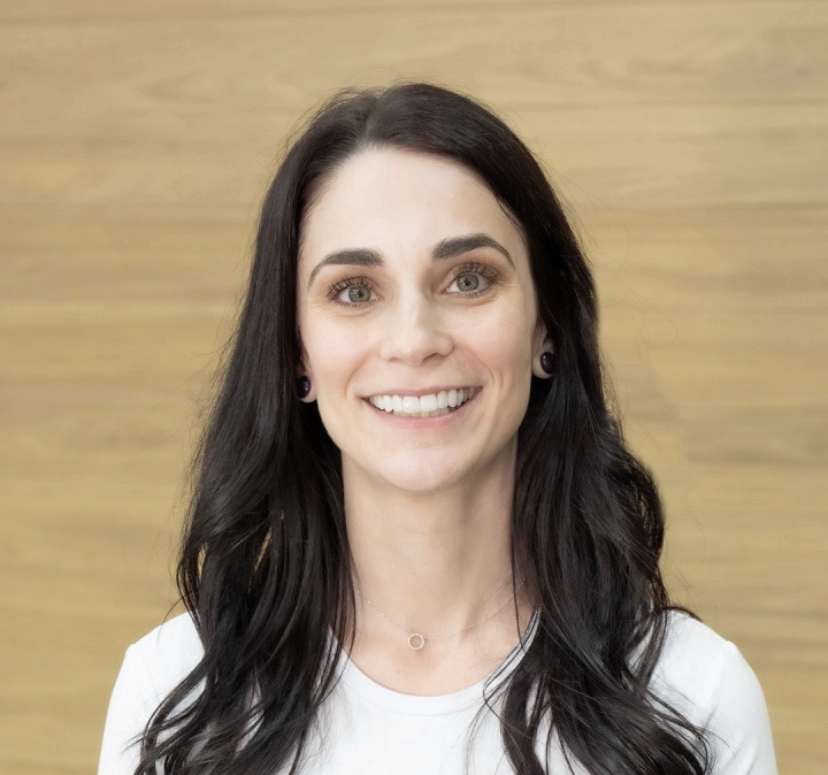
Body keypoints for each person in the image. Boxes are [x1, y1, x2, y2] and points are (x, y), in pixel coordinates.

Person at [98, 82, 777, 775]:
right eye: (355, 290)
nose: (415, 339)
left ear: (547, 326)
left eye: (469, 279)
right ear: (296, 352)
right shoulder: (176, 699)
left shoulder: (691, 699)